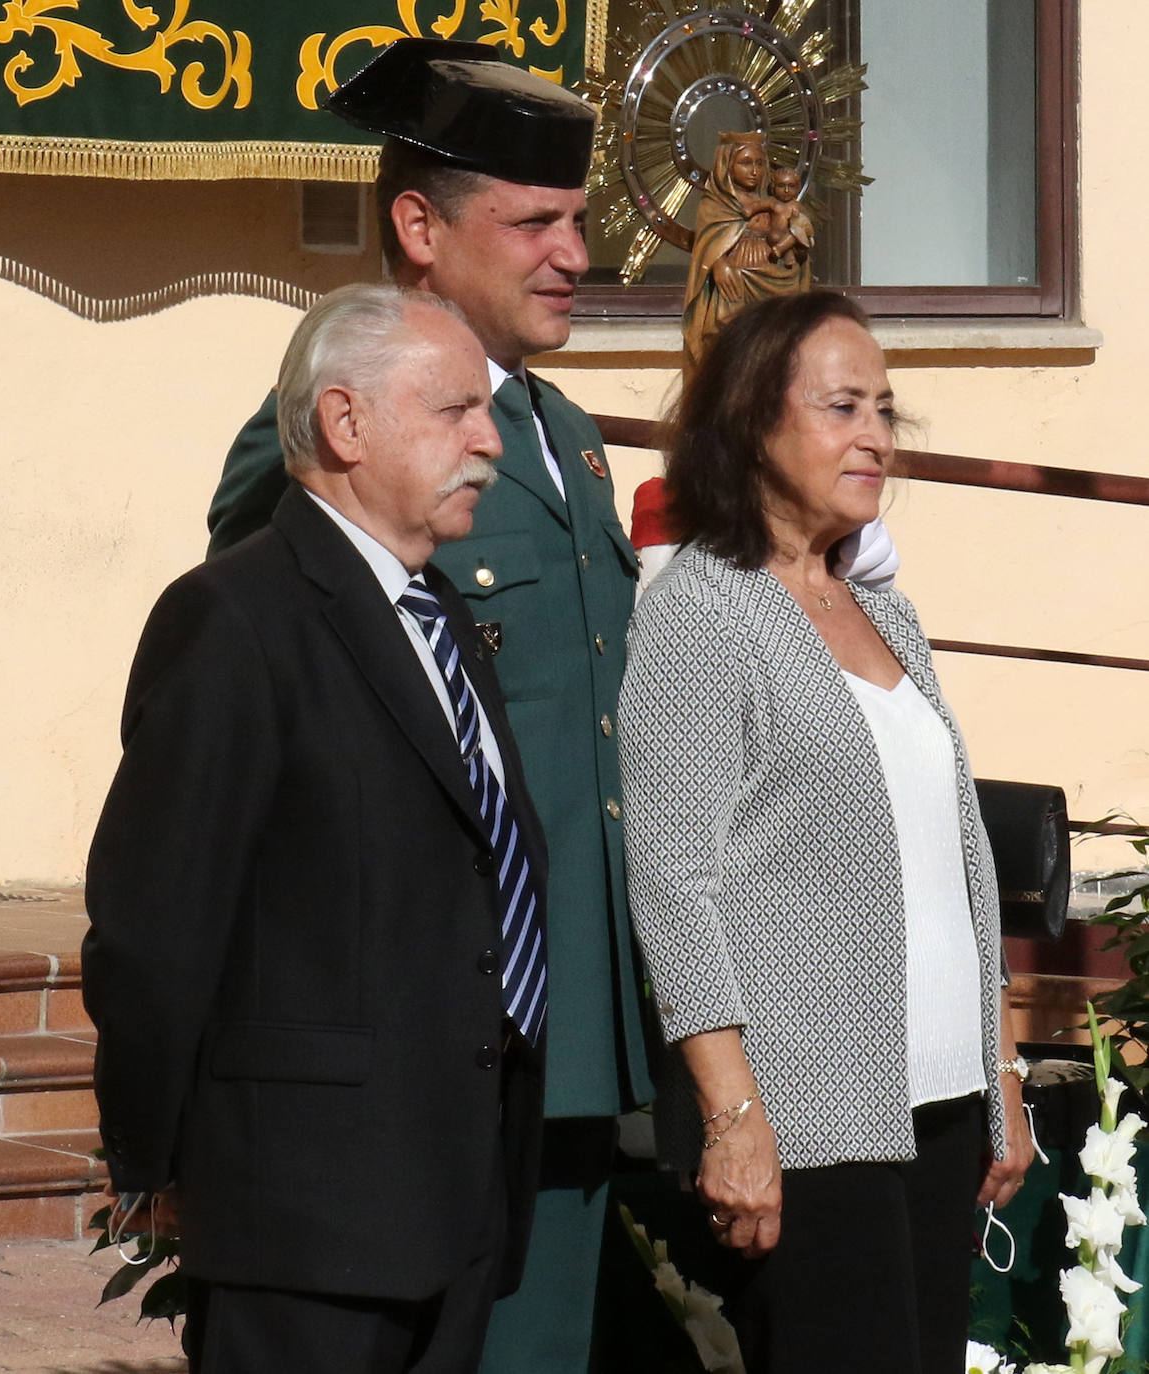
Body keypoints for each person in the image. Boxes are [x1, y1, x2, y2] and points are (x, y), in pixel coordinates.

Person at [204, 39, 654, 1372]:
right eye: (535, 223)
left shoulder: (565, 437)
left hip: (563, 1039)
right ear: (418, 227)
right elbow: (256, 712)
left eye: (579, 222)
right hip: (408, 1067)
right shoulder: (328, 434)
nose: (575, 254)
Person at [82, 283, 548, 1374]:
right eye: (454, 412)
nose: (490, 441)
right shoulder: (235, 618)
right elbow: (155, 928)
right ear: (345, 423)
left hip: (452, 1206)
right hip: (306, 1225)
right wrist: (150, 1161)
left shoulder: (440, 619)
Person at [617, 290, 1034, 1373]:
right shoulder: (698, 610)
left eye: (886, 411)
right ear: (753, 422)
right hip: (809, 1116)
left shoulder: (882, 610)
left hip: (941, 1108)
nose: (875, 438)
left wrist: (1001, 1076)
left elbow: (956, 859)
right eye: (842, 406)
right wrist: (732, 1114)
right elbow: (671, 880)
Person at [682, 132, 810, 370]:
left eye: (760, 164)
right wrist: (718, 264)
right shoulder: (715, 206)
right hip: (734, 285)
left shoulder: (775, 203)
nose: (754, 171)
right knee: (731, 343)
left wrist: (798, 248)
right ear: (726, 165)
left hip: (776, 278)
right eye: (746, 163)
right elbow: (706, 245)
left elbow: (799, 239)